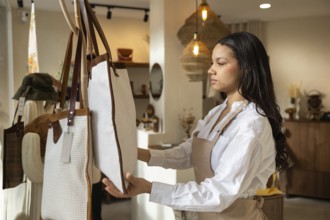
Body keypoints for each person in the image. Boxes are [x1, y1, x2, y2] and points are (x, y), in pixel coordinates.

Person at [102, 31, 288, 219]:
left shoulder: (252, 124)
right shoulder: (217, 112)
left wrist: (149, 188)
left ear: (246, 68)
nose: (211, 70)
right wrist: (133, 152)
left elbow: (218, 193)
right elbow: (186, 154)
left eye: (221, 63)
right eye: (212, 63)